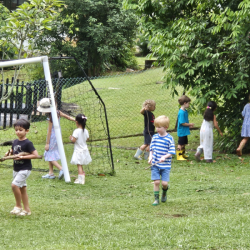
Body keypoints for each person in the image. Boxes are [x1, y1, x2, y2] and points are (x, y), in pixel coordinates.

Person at [7, 119, 40, 216]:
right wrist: (9, 153)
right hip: (16, 168)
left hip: (25, 168)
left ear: (27, 131)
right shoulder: (15, 141)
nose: (18, 132)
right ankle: (27, 210)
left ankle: (18, 206)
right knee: (22, 189)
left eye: (20, 130)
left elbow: (35, 155)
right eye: (16, 130)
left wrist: (23, 157)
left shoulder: (28, 143)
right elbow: (13, 151)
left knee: (14, 185)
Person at [37, 98, 75, 179]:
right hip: (58, 135)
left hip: (52, 137)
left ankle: (62, 169)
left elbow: (49, 131)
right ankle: (51, 173)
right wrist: (75, 120)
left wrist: (47, 143)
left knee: (47, 153)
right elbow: (67, 116)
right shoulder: (57, 112)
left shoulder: (51, 117)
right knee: (51, 152)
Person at [148, 115, 176, 206]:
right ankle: (156, 199)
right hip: (155, 164)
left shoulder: (169, 138)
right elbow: (151, 149)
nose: (157, 129)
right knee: (156, 182)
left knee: (164, 183)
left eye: (159, 127)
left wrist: (165, 156)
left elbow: (171, 151)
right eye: (156, 127)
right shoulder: (155, 137)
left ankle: (164, 191)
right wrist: (150, 157)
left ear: (166, 127)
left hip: (165, 165)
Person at [69, 114, 92, 184]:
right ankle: (81, 176)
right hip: (84, 150)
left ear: (76, 122)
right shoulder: (86, 131)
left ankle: (81, 180)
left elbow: (74, 140)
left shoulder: (76, 131)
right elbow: (87, 139)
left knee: (79, 164)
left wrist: (71, 138)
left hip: (78, 151)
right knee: (80, 164)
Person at [176, 95, 194, 161]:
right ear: (185, 103)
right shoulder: (181, 112)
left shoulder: (185, 111)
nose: (189, 104)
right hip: (181, 131)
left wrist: (189, 125)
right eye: (188, 103)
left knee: (183, 143)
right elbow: (182, 123)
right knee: (180, 143)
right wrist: (189, 124)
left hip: (184, 131)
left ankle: (182, 154)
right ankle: (179, 156)